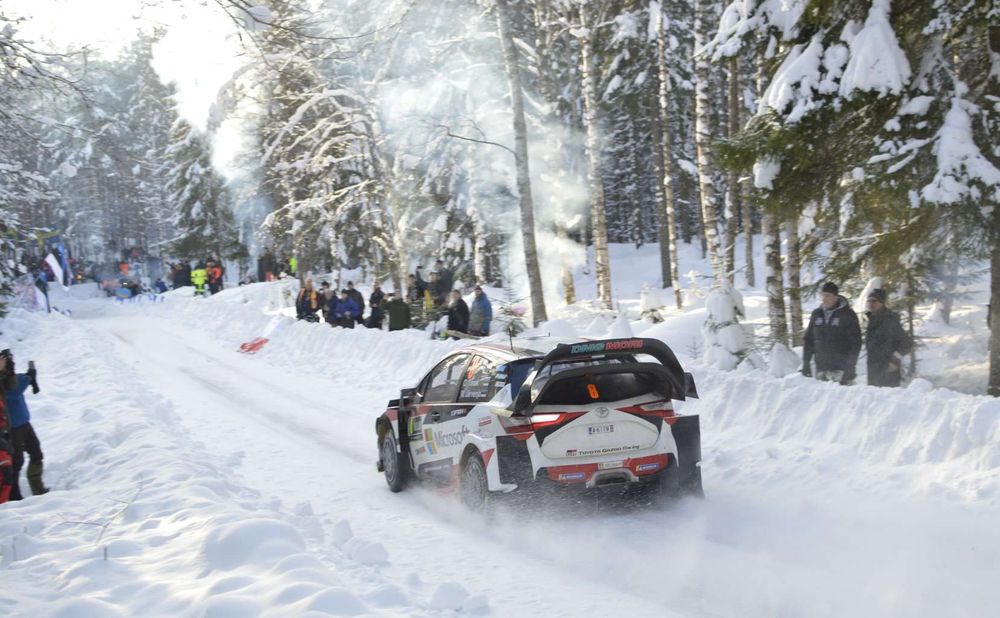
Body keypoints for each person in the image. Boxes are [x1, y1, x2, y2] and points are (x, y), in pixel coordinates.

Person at [5, 352, 48, 499]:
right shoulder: (4, 382)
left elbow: (18, 380)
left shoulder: (10, 377)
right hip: (11, 429)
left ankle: (38, 489)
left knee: (36, 453)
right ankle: (13, 495)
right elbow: (14, 391)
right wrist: (29, 377)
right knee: (16, 462)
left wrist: (28, 375)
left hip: (24, 424)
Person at [802, 282, 862, 385]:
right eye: (823, 295)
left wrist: (851, 366)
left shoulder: (847, 314)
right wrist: (806, 362)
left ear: (836, 297)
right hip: (821, 368)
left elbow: (856, 343)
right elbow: (809, 339)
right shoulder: (817, 314)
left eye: (828, 295)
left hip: (841, 369)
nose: (824, 299)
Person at [865, 288, 911, 387]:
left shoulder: (890, 320)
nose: (871, 304)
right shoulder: (872, 319)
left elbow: (907, 344)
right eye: (869, 301)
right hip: (873, 371)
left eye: (874, 301)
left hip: (888, 372)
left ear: (881, 302)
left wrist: (894, 361)